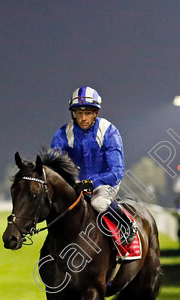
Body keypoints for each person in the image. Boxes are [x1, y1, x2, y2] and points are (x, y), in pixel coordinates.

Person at [50, 86, 136, 246]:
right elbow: (53, 161)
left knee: (98, 202)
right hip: (77, 183)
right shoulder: (63, 133)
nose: (83, 118)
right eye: (79, 113)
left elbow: (116, 171)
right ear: (73, 114)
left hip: (105, 182)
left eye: (88, 113)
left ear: (95, 113)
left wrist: (92, 183)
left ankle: (127, 224)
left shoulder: (109, 131)